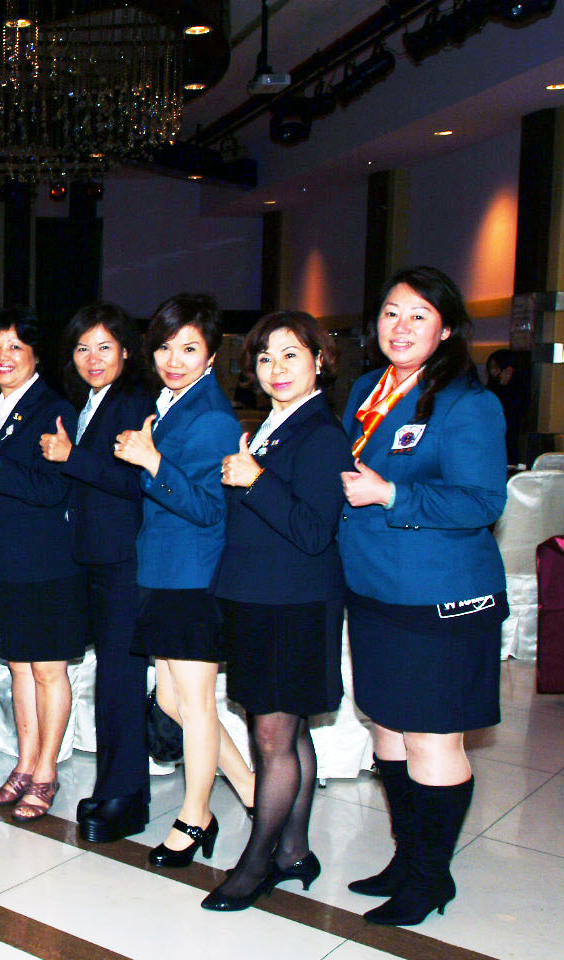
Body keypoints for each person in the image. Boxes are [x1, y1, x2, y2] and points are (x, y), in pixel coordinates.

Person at [339, 266, 507, 926]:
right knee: (388, 728)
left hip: (440, 598)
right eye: (390, 313)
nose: (400, 327)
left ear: (446, 329)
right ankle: (407, 857)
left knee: (432, 739)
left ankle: (430, 878)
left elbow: (481, 502)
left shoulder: (467, 403)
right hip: (374, 587)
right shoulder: (367, 390)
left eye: (417, 315)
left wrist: (391, 494)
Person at [202, 310, 350, 910]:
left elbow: (314, 530)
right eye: (265, 358)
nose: (276, 368)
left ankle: (257, 863)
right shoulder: (273, 425)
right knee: (288, 731)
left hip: (293, 604)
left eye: (291, 355)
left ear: (320, 361)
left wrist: (255, 479)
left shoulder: (322, 434)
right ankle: (294, 850)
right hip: (262, 598)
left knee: (272, 737)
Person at [114, 293, 254, 865]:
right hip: (163, 571)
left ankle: (196, 818)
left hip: (193, 577)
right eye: (165, 348)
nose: (174, 360)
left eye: (189, 349)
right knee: (174, 701)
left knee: (194, 706)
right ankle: (250, 787)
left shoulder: (212, 416)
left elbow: (209, 507)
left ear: (212, 356)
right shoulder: (171, 403)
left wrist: (151, 462)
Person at [39, 303, 154, 841]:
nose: (93, 358)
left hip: (123, 560)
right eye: (83, 348)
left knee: (120, 681)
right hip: (93, 557)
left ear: (127, 352)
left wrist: (70, 457)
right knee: (110, 679)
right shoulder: (89, 402)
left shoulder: (135, 401)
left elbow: (134, 481)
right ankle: (114, 787)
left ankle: (125, 797)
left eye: (105, 347)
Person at [0, 307, 77, 821]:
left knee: (48, 670)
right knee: (18, 668)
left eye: (14, 346)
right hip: (7, 561)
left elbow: (54, 489)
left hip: (47, 562)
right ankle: (25, 762)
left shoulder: (53, 408)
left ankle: (47, 770)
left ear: (35, 356)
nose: (2, 356)